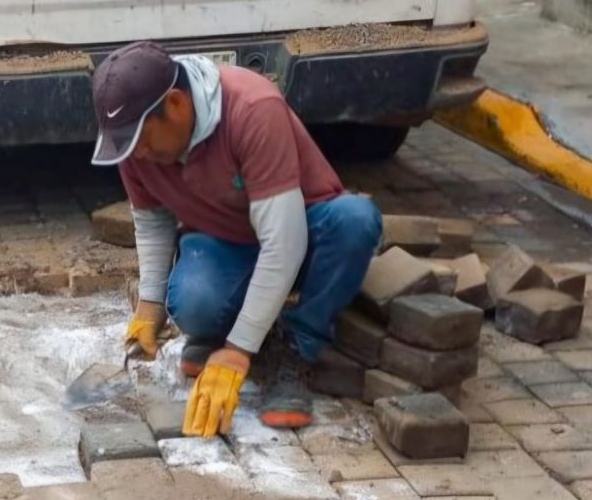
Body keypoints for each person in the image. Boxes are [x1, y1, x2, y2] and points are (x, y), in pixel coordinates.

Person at [91, 41, 381, 438]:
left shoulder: (253, 109)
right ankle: (223, 331)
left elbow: (285, 242)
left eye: (141, 139)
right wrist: (149, 307)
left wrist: (239, 351)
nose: (135, 153)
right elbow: (153, 222)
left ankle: (294, 346)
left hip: (304, 233)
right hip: (225, 240)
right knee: (192, 302)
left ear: (176, 105)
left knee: (356, 221)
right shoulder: (135, 148)